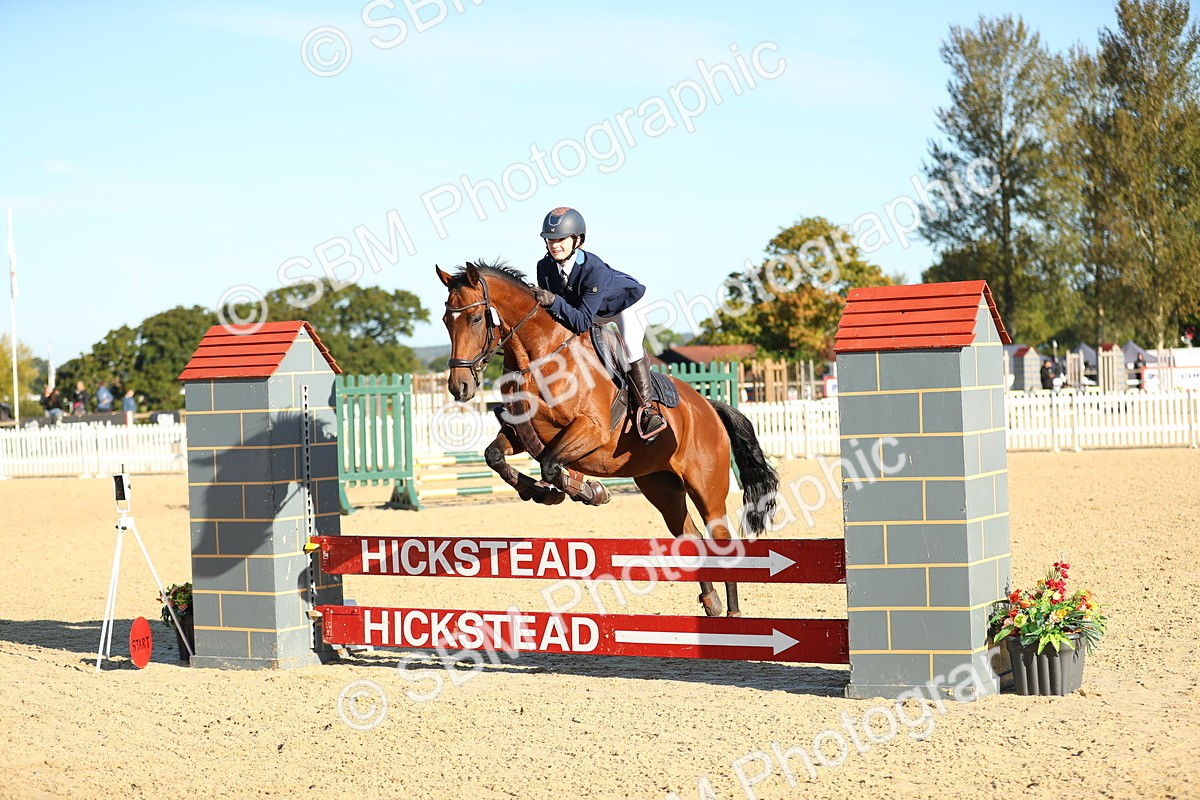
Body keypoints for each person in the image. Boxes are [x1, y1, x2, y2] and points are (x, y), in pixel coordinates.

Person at [531, 207, 666, 440]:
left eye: (561, 239)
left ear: (578, 240)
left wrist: (552, 300)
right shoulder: (544, 268)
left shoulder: (594, 270)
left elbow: (582, 321)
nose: (555, 245)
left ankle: (647, 409)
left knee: (630, 349)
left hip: (625, 305)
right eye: (550, 240)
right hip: (590, 309)